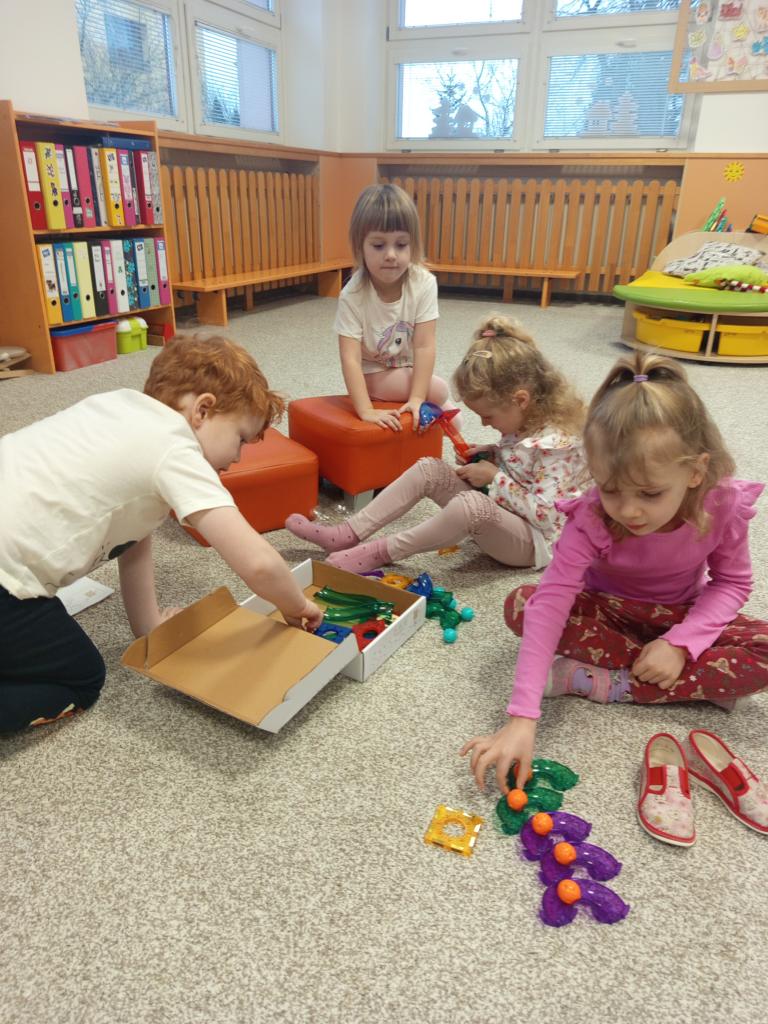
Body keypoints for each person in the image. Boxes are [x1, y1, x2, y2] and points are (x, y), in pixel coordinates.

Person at [461, 352, 767, 795]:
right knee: (523, 605)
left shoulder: (722, 503)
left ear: (696, 471)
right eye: (609, 489)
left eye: (650, 493)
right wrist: (522, 718)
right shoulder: (590, 515)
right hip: (608, 612)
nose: (629, 510)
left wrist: (680, 644)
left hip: (679, 614)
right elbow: (552, 601)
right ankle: (682, 682)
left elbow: (732, 583)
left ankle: (597, 680)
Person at [0, 335, 323, 733]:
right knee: (81, 678)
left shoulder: (117, 406)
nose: (237, 458)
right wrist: (296, 605)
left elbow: (133, 537)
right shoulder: (176, 447)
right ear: (202, 410)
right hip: (5, 581)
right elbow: (258, 563)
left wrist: (149, 625)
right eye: (240, 439)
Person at [285, 314, 587, 574]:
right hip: (503, 514)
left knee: (471, 506)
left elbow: (546, 514)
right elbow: (522, 461)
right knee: (430, 468)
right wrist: (493, 454)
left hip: (534, 541)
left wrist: (494, 478)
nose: (484, 423)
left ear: (521, 400)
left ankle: (379, 552)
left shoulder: (558, 445)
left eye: (488, 416)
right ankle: (347, 533)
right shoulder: (525, 417)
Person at [335, 182, 459, 432]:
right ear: (360, 246)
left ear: (412, 244)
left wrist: (417, 398)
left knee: (454, 420)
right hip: (372, 374)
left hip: (404, 367)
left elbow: (424, 346)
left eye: (401, 244)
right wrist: (365, 410)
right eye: (378, 245)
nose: (391, 255)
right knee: (439, 390)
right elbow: (350, 359)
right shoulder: (353, 294)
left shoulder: (423, 283)